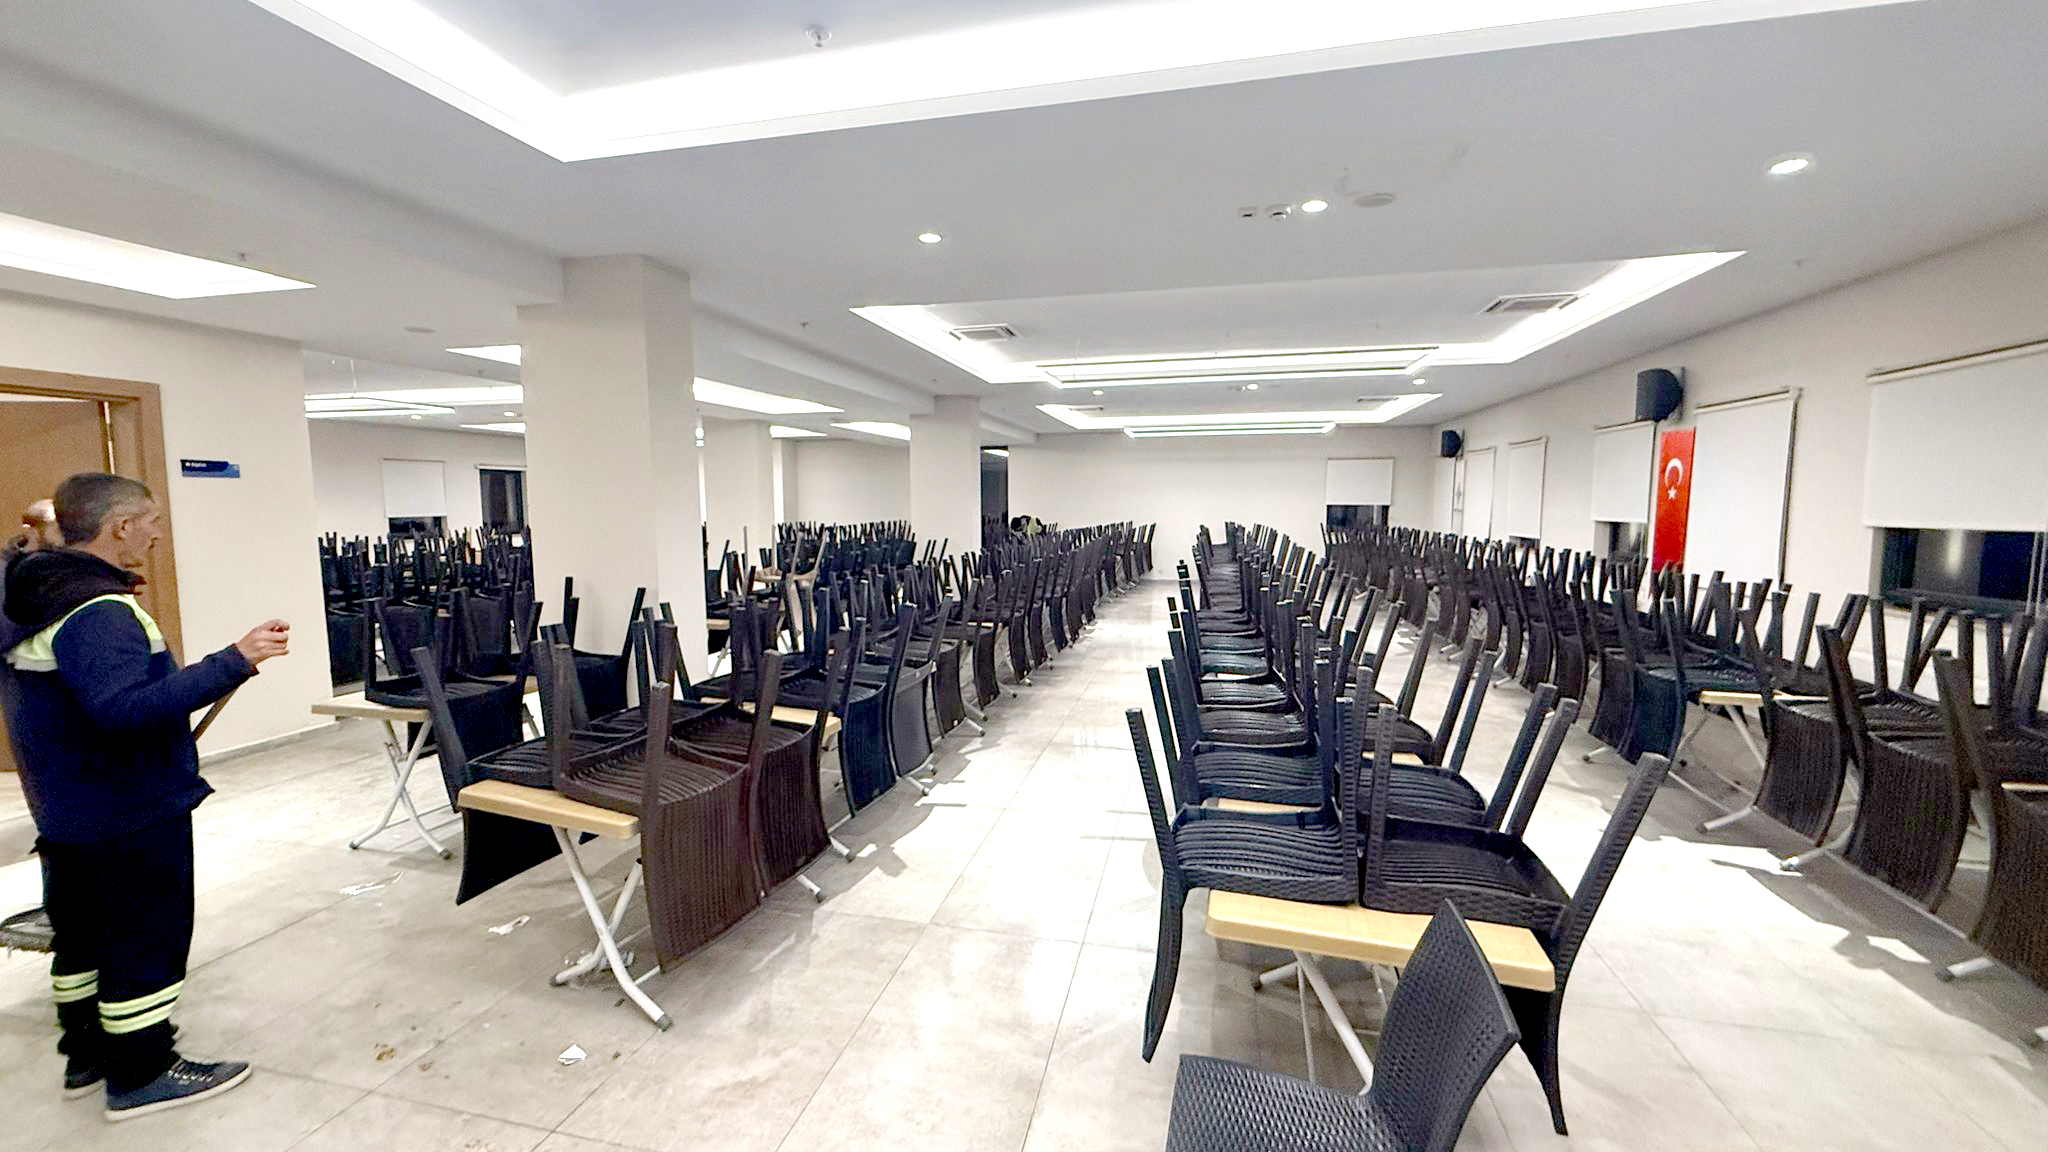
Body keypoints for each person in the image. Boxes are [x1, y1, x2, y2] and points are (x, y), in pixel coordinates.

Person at [2, 473, 289, 1121]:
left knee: (82, 937)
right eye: (151, 520)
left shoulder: (35, 596)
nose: (158, 533)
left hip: (69, 808)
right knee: (143, 937)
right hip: (126, 809)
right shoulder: (99, 612)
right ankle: (141, 1072)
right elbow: (123, 711)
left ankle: (88, 1054)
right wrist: (234, 659)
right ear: (121, 527)